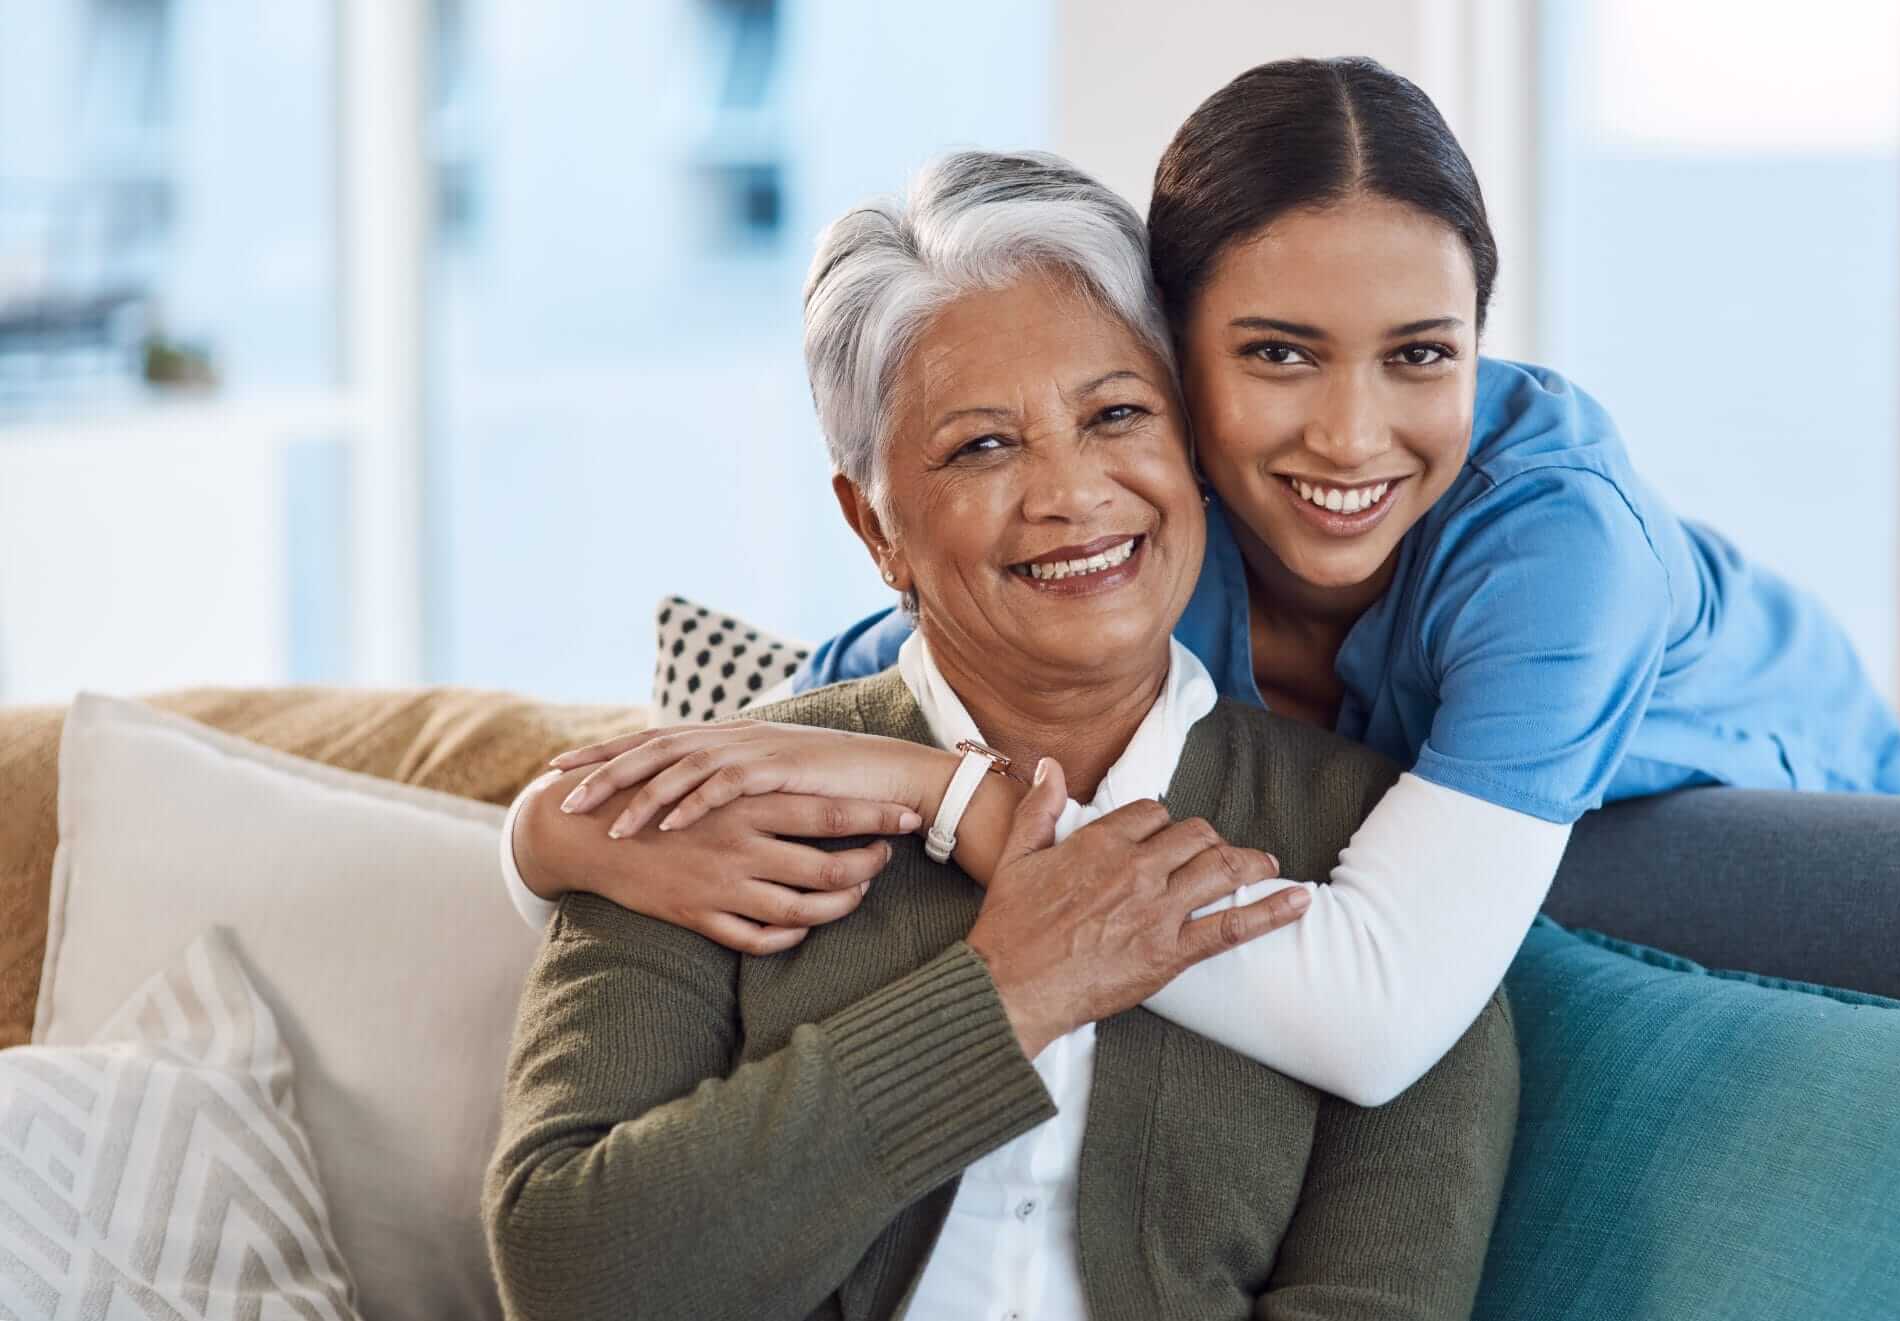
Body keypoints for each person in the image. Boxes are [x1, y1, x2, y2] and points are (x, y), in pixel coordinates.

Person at [541, 55, 1900, 1102]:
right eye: (1277, 354)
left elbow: (1372, 1019)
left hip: (1772, 853)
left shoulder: (1554, 545)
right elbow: (807, 718)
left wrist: (943, 798)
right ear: (1172, 360)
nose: (1351, 435)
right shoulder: (1147, 528)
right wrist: (542, 840)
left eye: (1423, 354)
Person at [486, 150, 1518, 1321]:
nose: (1071, 496)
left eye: (1117, 415)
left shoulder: (1375, 862)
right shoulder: (719, 798)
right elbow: (568, 1275)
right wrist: (1005, 991)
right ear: (875, 525)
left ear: (1192, 443)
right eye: (983, 446)